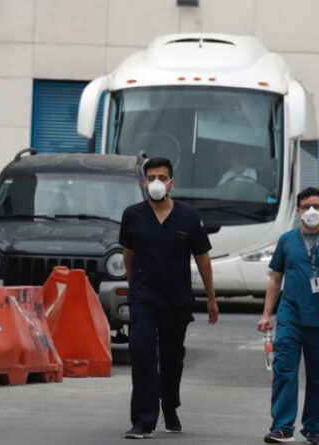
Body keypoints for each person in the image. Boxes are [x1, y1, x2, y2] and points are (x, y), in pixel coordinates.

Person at [119, 157, 219, 439]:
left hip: (176, 299)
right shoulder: (133, 215)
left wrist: (211, 298)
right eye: (151, 177)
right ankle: (143, 419)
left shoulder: (188, 217)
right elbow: (128, 254)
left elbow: (203, 258)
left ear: (172, 183)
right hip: (143, 297)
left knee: (173, 358)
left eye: (162, 177)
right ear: (144, 182)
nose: (156, 183)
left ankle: (170, 406)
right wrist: (132, 285)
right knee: (141, 350)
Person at [257, 187, 319, 444]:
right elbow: (276, 278)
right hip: (290, 316)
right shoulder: (287, 240)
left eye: (317, 206)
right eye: (306, 206)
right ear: (298, 210)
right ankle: (282, 427)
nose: (312, 211)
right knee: (284, 370)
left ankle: (312, 427)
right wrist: (267, 313)